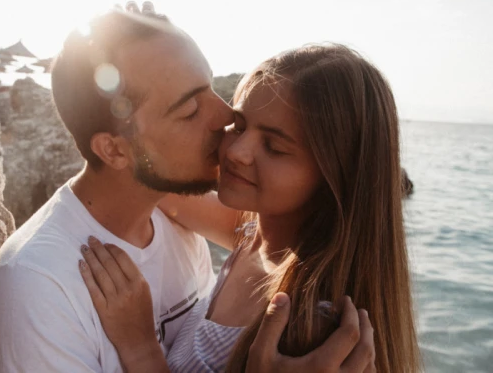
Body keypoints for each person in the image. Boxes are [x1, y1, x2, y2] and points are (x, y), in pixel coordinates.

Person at [0, 5, 375, 372]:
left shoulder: (177, 214)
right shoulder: (36, 290)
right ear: (114, 149)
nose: (226, 117)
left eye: (210, 89)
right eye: (190, 109)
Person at [79, 44, 420, 372]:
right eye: (239, 126)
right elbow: (164, 186)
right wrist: (138, 50)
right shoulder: (252, 236)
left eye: (274, 146)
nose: (236, 151)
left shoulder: (311, 324)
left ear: (336, 176)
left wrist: (140, 347)